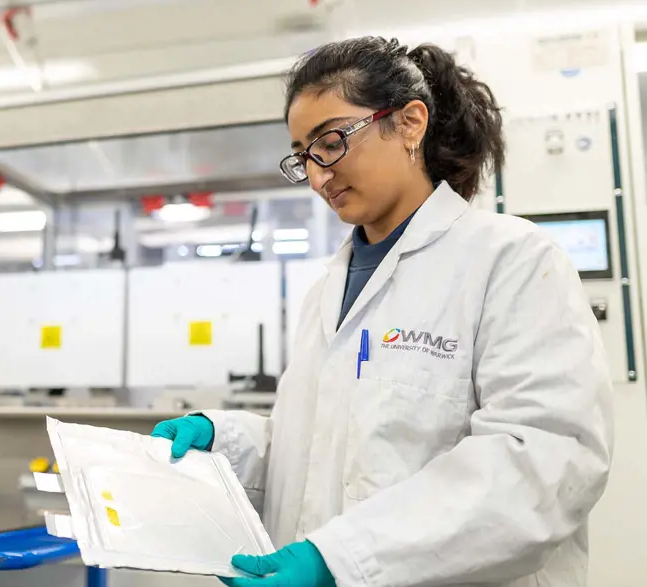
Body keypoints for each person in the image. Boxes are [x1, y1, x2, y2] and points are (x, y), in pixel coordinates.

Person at [151, 36, 614, 587]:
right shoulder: (329, 287)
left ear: (410, 123)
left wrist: (344, 560)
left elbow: (542, 462)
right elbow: (322, 447)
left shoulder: (510, 260)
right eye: (303, 157)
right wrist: (224, 440)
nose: (319, 175)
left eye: (330, 142)